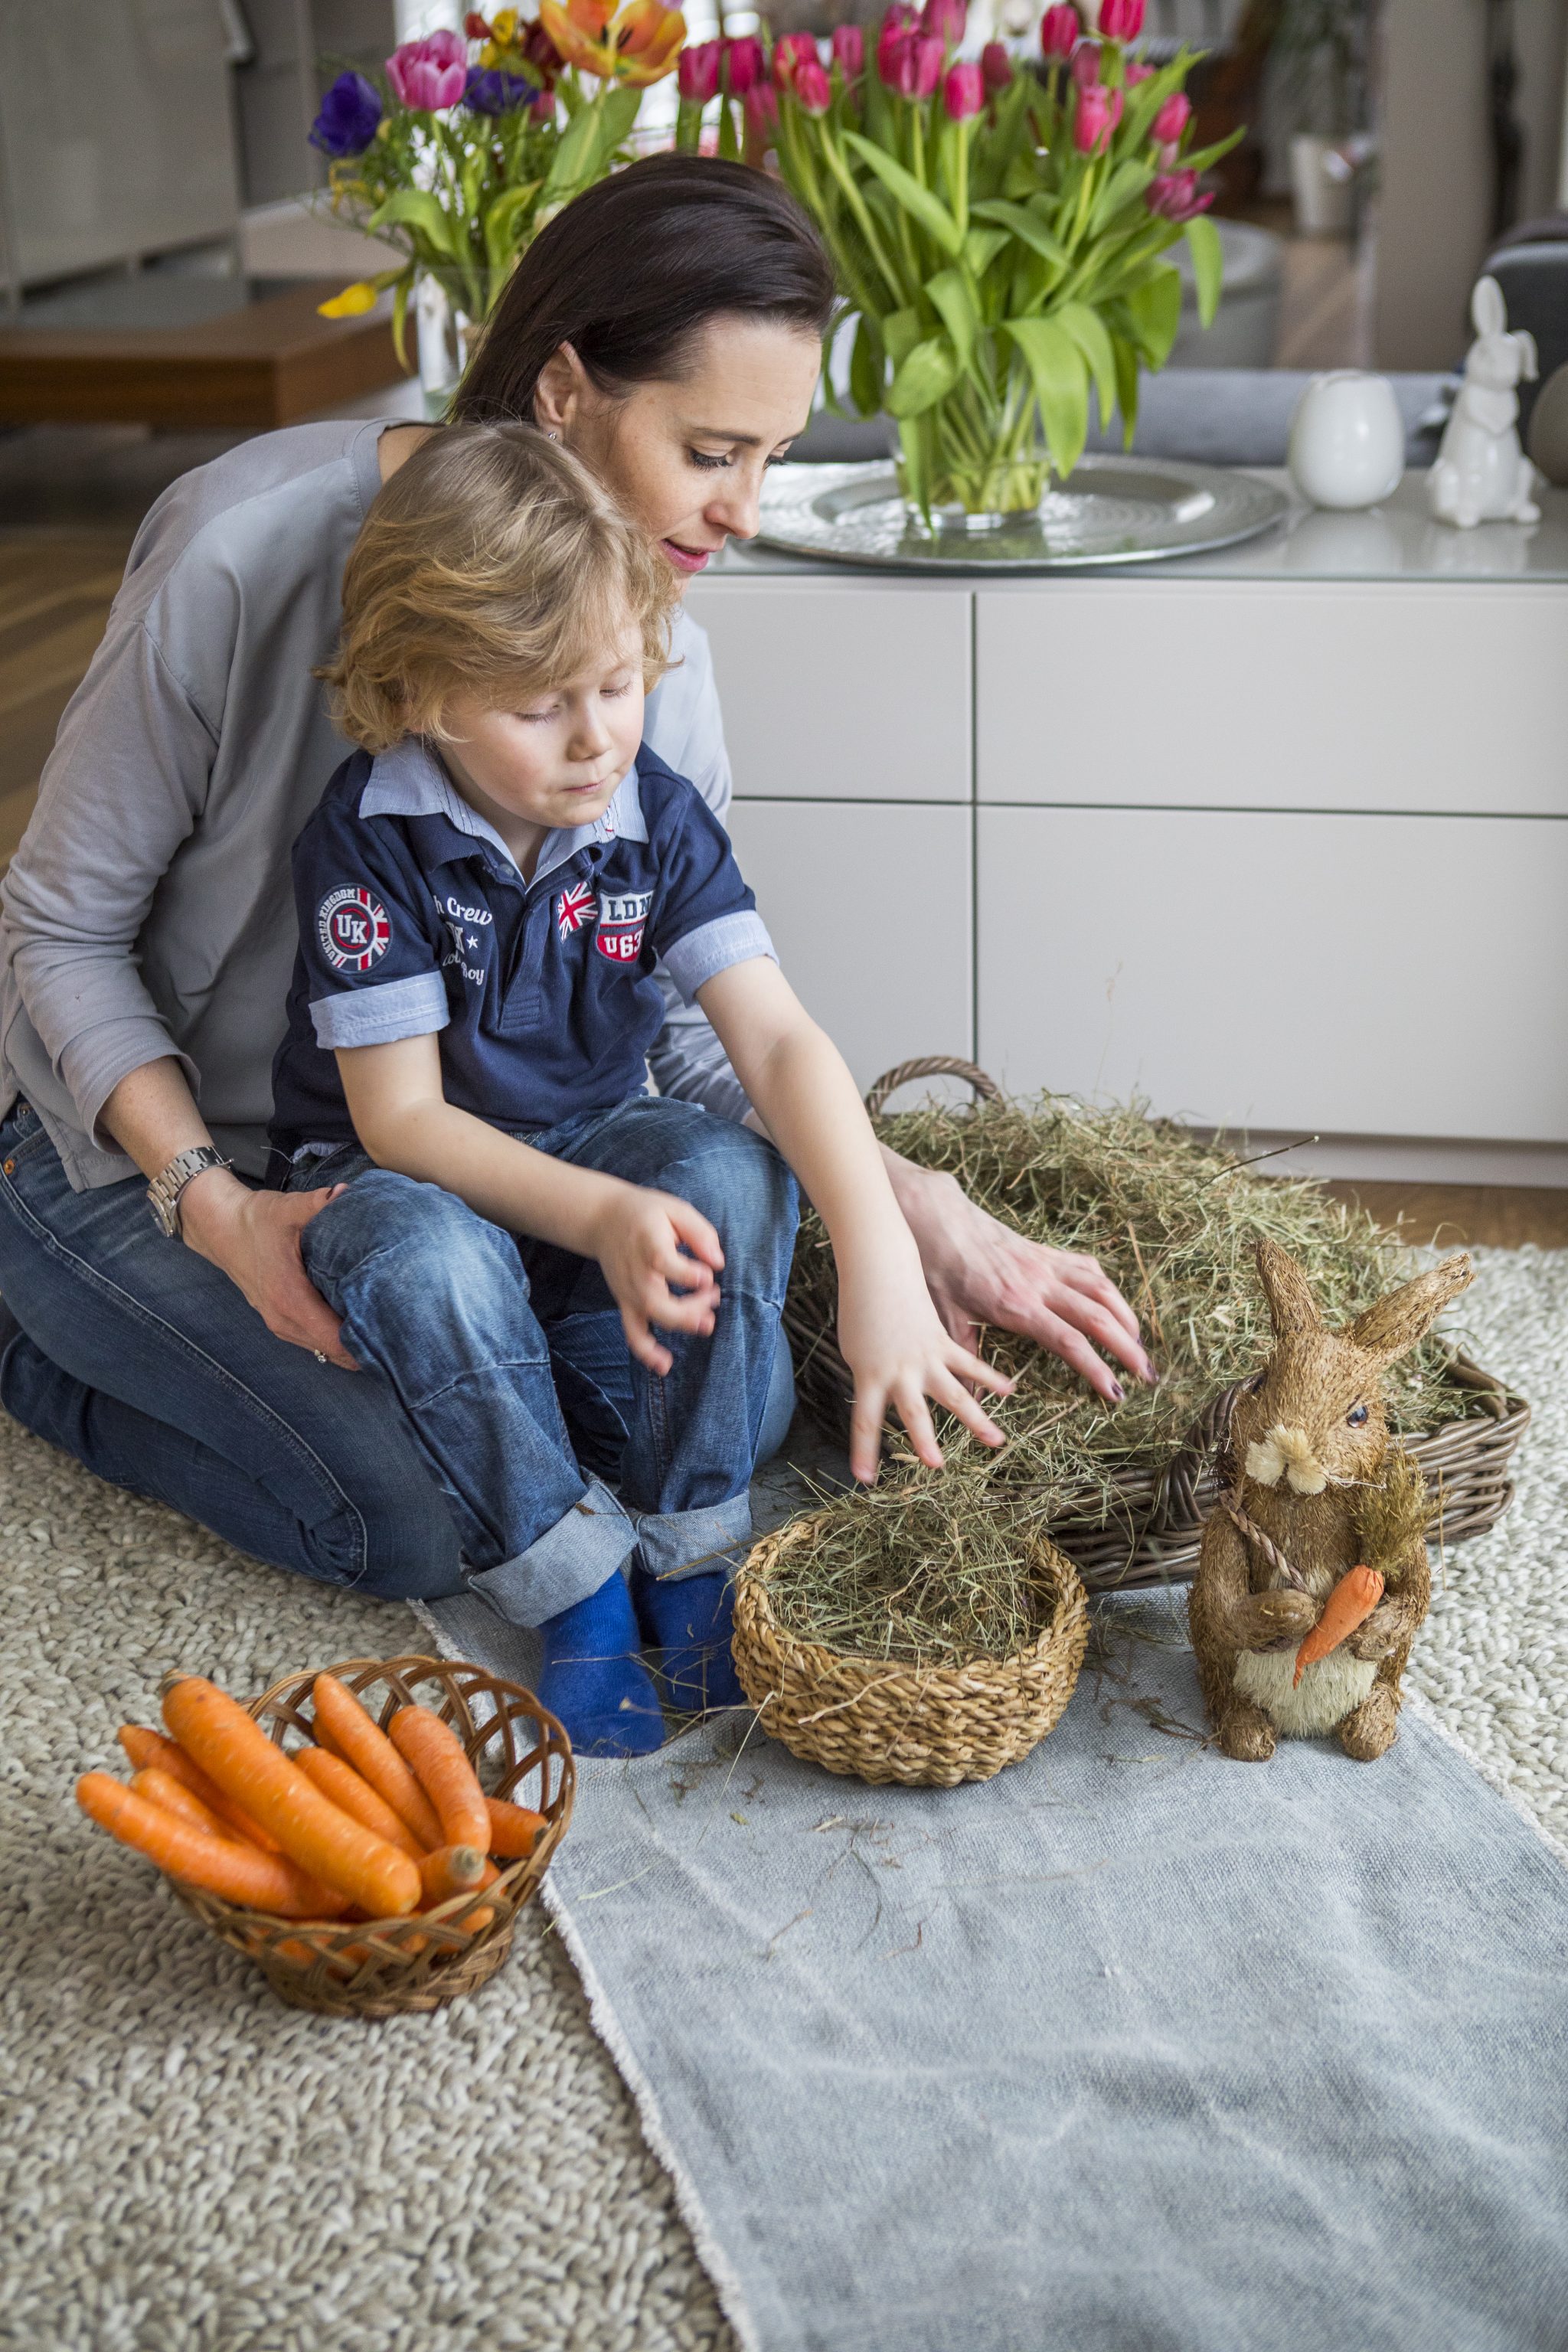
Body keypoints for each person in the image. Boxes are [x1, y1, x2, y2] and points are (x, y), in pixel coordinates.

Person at [0, 153, 1152, 1611]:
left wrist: (901, 1204)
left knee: (696, 1410)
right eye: (714, 452)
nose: (746, 511)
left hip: (468, 1169)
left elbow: (684, 1025)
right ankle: (39, 1334)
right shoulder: (241, 549)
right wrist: (219, 1215)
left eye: (773, 459)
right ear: (563, 391)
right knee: (416, 1518)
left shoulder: (661, 667)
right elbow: (58, 930)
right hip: (159, 1152)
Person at [270, 422, 1012, 1749]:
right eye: (539, 707)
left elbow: (775, 1043)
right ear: (424, 693)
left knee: (734, 1168)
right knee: (428, 1262)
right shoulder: (368, 841)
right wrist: (605, 1217)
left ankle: (691, 1550)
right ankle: (577, 1589)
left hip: (593, 1135)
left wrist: (880, 1254)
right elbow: (403, 1120)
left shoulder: (651, 812)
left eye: (617, 686)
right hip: (400, 1180)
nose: (595, 740)